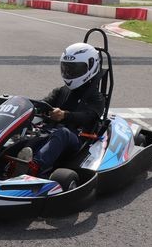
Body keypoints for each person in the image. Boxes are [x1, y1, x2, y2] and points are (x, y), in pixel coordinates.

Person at [23, 42, 105, 177]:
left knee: (63, 133)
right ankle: (13, 160)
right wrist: (27, 108)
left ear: (90, 67)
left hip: (78, 139)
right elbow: (44, 103)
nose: (69, 72)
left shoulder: (96, 97)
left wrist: (65, 115)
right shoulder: (61, 91)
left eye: (74, 69)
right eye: (66, 68)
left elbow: (89, 116)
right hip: (51, 131)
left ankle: (34, 167)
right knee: (30, 130)